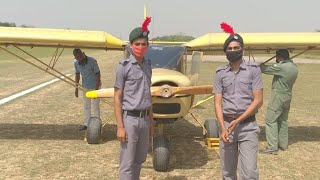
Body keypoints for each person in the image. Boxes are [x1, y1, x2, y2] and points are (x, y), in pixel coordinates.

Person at [213, 33, 263, 180]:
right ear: (226, 52)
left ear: (243, 50)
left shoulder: (253, 70)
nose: (233, 50)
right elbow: (217, 102)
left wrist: (239, 120)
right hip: (227, 127)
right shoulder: (220, 73)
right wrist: (222, 128)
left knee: (249, 173)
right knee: (227, 173)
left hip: (248, 127)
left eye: (236, 47)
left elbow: (258, 100)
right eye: (230, 48)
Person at [114, 26, 154, 180]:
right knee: (127, 163)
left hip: (144, 119)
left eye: (144, 44)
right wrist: (120, 127)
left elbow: (148, 95)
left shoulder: (148, 66)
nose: (140, 47)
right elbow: (117, 97)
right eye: (137, 44)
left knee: (139, 160)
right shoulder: (123, 67)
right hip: (129, 119)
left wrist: (151, 122)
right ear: (131, 45)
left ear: (147, 46)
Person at [259, 49, 298, 154]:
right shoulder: (294, 67)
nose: (275, 59)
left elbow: (264, 69)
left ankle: (272, 147)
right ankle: (283, 144)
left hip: (278, 96)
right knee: (283, 121)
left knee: (270, 120)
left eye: (276, 57)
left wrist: (260, 65)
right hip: (288, 95)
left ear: (280, 57)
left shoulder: (282, 67)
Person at [73, 48, 101, 131]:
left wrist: (96, 89)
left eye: (80, 56)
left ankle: (96, 125)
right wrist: (76, 88)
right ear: (75, 58)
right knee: (86, 106)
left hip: (95, 86)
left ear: (83, 53)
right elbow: (77, 75)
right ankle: (87, 124)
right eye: (77, 57)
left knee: (95, 106)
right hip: (85, 87)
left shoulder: (92, 61)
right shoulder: (76, 64)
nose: (79, 58)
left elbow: (98, 74)